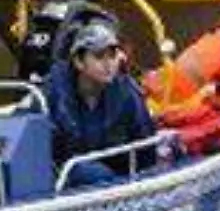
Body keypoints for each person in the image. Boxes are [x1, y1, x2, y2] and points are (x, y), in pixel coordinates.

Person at [45, 21, 160, 187]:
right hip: (64, 182)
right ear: (78, 61)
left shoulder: (127, 92)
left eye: (112, 56)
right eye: (99, 56)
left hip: (117, 180)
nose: (108, 64)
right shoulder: (53, 92)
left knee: (92, 173)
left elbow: (145, 146)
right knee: (85, 172)